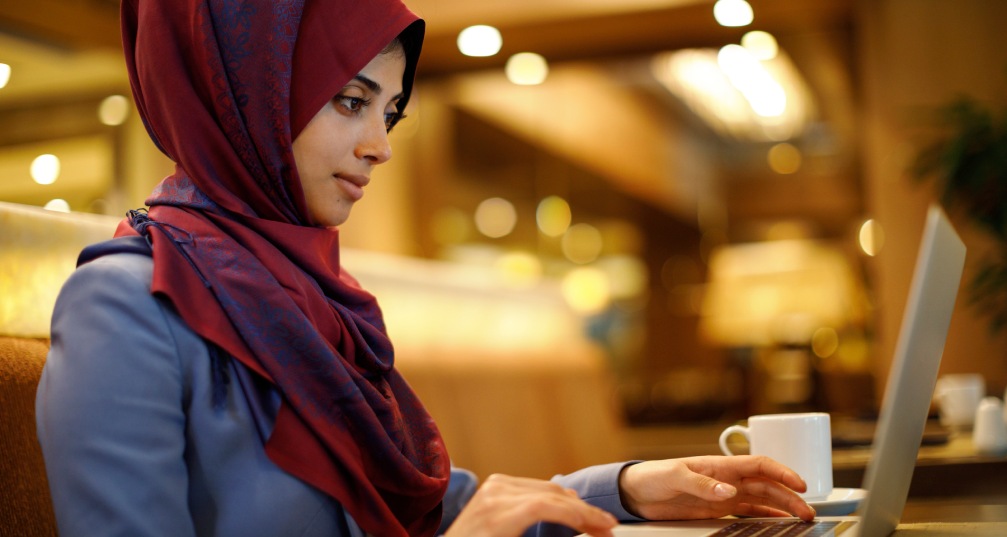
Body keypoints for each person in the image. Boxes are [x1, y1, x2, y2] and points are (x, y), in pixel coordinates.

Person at [34, 0, 817, 536]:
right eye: (349, 99)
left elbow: (422, 508)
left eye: (390, 111)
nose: (379, 142)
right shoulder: (124, 304)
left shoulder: (309, 295)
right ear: (244, 95)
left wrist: (628, 489)